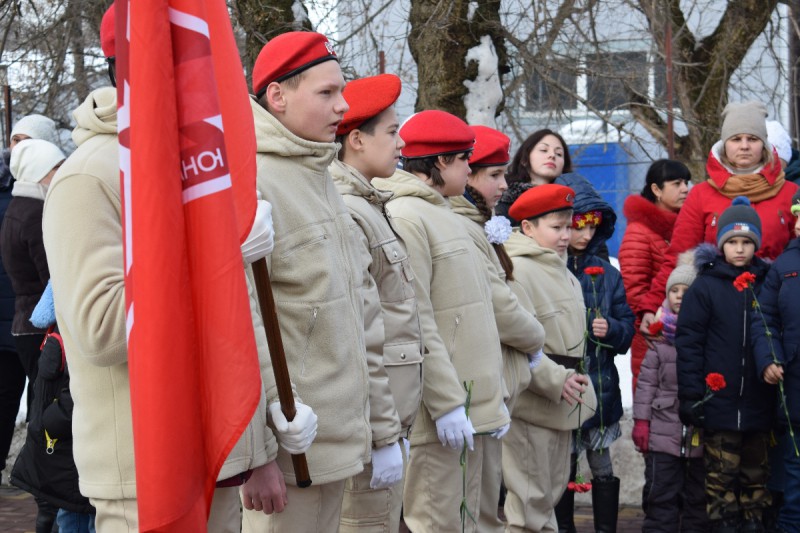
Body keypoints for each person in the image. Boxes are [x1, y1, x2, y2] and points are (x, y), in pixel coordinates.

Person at [41, 11, 313, 530]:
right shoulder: (88, 177)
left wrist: (257, 449)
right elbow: (101, 330)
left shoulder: (200, 168)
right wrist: (218, 256)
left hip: (218, 459)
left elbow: (237, 323)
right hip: (144, 475)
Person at [245, 31, 374, 533]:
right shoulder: (252, 177)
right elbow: (244, 319)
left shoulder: (317, 169)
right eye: (326, 92)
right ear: (277, 96)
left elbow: (355, 308)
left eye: (341, 91)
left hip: (333, 440)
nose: (343, 106)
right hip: (289, 449)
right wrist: (261, 444)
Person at [373, 110, 509, 532]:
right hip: (439, 412)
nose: (469, 169)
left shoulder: (445, 213)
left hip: (468, 405)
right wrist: (447, 402)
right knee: (437, 522)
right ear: (440, 162)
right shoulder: (408, 216)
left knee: (466, 521)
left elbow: (473, 312)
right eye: (464, 159)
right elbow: (414, 316)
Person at [329, 73, 423, 533]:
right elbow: (362, 334)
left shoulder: (369, 205)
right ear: (357, 140)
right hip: (371, 427)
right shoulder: (349, 211)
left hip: (387, 421)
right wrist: (384, 433)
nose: (401, 142)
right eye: (391, 131)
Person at [451, 124, 546, 532]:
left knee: (485, 509)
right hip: (472, 392)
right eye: (494, 175)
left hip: (493, 391)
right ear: (465, 173)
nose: (504, 185)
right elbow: (499, 303)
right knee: (473, 511)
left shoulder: (478, 224)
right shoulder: (464, 227)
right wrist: (536, 336)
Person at [641, 101, 798, 339]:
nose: (744, 146)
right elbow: (679, 256)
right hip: (716, 315)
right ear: (724, 144)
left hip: (777, 314)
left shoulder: (790, 194)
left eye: (752, 139)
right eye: (736, 139)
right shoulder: (701, 195)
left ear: (764, 145)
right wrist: (652, 305)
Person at [676, 197, 775, 532]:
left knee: (757, 478)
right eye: (732, 242)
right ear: (721, 245)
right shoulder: (705, 286)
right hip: (718, 404)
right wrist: (692, 395)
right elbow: (689, 343)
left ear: (756, 244)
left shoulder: (767, 283)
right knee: (720, 479)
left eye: (746, 241)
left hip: (760, 403)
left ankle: (754, 523)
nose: (739, 249)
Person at [501, 183, 596, 532]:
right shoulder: (518, 270)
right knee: (529, 501)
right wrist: (555, 379)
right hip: (533, 399)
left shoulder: (562, 269)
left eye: (569, 226)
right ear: (527, 227)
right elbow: (514, 340)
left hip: (562, 397)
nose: (566, 236)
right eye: (556, 227)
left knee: (548, 496)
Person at [558, 176, 634, 532]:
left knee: (602, 464)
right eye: (578, 226)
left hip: (600, 388)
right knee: (564, 466)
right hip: (562, 388)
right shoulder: (549, 268)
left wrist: (612, 329)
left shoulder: (607, 273)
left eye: (592, 227)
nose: (585, 235)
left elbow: (627, 326)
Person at [0, 138, 64, 532]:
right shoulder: (35, 214)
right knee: (49, 415)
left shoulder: (17, 209)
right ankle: (48, 505)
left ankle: (47, 505)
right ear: (41, 172)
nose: (60, 175)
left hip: (24, 323)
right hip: (39, 327)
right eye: (55, 168)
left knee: (43, 411)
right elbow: (54, 277)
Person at [10, 282, 96, 532]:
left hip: (68, 437)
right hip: (62, 442)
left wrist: (54, 418)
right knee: (69, 512)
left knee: (76, 512)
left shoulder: (71, 312)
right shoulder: (61, 317)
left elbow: (83, 378)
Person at [632, 255, 708, 532]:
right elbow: (646, 385)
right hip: (662, 432)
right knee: (661, 493)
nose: (679, 296)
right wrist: (642, 422)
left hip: (699, 433)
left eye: (686, 291)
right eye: (674, 290)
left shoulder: (708, 338)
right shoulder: (659, 339)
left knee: (697, 496)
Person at [750, 190, 800, 533]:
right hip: (794, 381)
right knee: (795, 463)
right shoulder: (784, 266)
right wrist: (769, 358)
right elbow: (764, 318)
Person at [618, 159, 690, 393]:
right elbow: (634, 290)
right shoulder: (639, 232)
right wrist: (656, 325)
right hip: (653, 333)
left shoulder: (686, 226)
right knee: (654, 399)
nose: (685, 189)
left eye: (686, 183)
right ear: (656, 189)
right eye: (676, 183)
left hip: (687, 330)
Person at [506, 128, 572, 185]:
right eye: (544, 150)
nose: (552, 155)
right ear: (524, 159)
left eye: (558, 154)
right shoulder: (503, 191)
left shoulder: (574, 193)